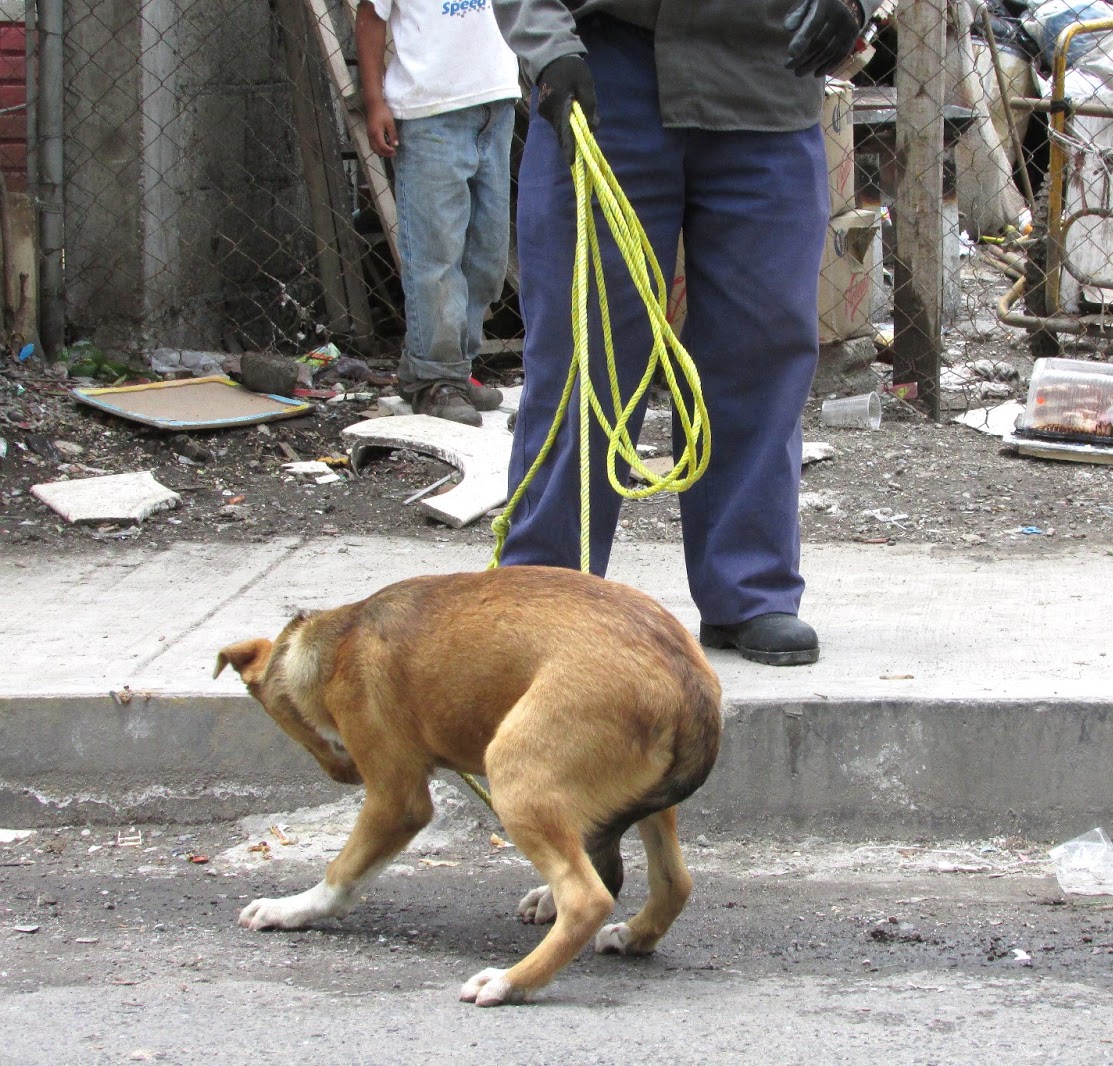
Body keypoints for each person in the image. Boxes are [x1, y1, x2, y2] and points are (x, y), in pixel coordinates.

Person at [490, 0, 868, 666]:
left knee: (762, 344)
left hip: (767, 71)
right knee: (588, 347)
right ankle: (546, 589)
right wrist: (547, 48)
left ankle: (749, 590)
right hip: (607, 65)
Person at [357, 0, 519, 426]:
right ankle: (436, 379)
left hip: (497, 106)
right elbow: (371, 17)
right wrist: (375, 101)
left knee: (486, 255)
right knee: (437, 254)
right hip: (431, 114)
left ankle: (454, 369)